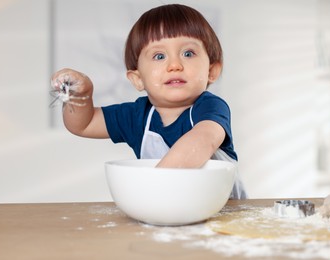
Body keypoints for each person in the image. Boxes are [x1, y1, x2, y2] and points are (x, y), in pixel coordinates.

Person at [51, 4, 247, 199]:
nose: (175, 65)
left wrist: (151, 187)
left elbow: (203, 141)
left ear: (211, 71)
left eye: (188, 53)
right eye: (159, 56)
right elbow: (84, 125)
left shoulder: (210, 107)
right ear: (137, 79)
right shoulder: (138, 116)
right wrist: (80, 95)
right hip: (163, 214)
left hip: (221, 217)